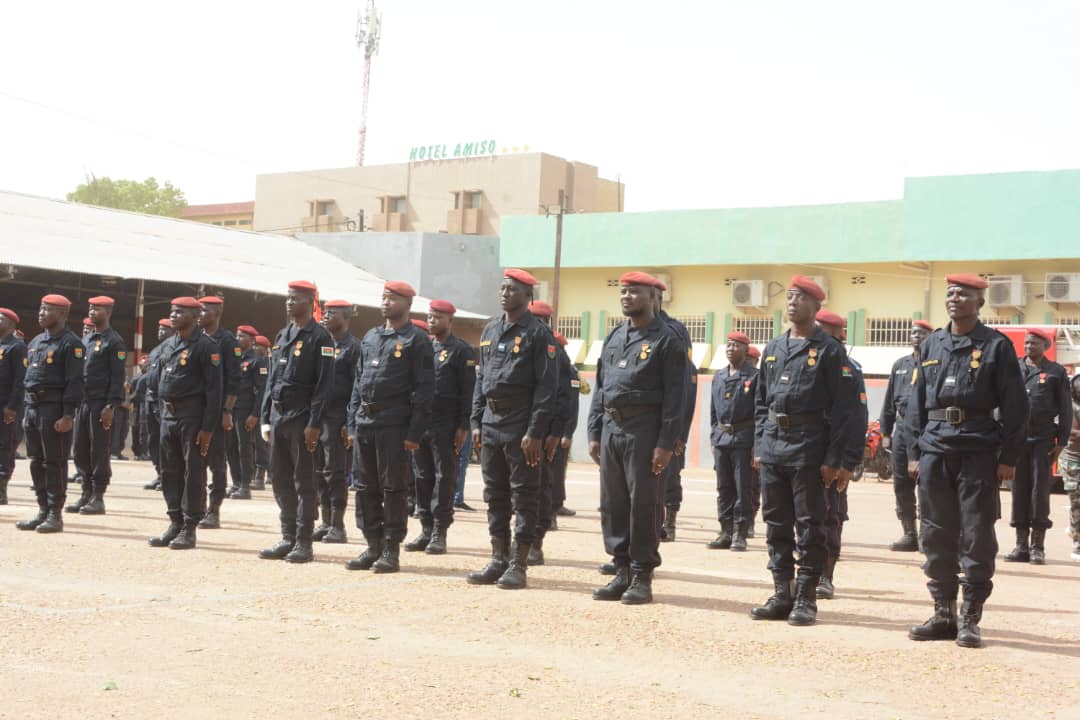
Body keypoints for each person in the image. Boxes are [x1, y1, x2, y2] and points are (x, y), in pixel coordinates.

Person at [906, 274, 1028, 648]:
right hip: (935, 449)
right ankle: (944, 613)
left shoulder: (996, 346)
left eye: (964, 293)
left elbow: (1016, 407)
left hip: (978, 450)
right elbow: (916, 403)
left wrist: (1009, 457)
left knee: (977, 533)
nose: (955, 298)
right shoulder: (932, 344)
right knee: (935, 531)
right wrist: (914, 452)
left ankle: (971, 618)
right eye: (951, 293)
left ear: (980, 303)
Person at [750, 276, 854, 626]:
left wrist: (834, 459)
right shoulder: (773, 347)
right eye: (791, 297)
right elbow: (761, 403)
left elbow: (843, 409)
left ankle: (806, 597)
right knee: (775, 522)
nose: (793, 302)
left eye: (802, 298)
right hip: (774, 445)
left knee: (810, 525)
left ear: (816, 306)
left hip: (809, 446)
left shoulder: (829, 349)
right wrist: (760, 445)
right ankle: (782, 592)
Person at [588, 272, 687, 605]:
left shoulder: (667, 340)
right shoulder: (615, 336)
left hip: (645, 431)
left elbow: (676, 397)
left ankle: (642, 575)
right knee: (613, 503)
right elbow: (601, 387)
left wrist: (666, 443)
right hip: (612, 429)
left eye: (634, 292)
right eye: (623, 292)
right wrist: (594, 431)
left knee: (644, 504)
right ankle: (621, 571)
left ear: (652, 297)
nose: (627, 297)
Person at [467, 269, 558, 590]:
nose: (505, 293)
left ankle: (519, 563)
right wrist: (476, 421)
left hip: (521, 424)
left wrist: (535, 431)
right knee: (495, 494)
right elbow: (482, 378)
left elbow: (546, 388)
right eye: (503, 288)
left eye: (513, 289)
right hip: (491, 422)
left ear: (528, 296)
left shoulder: (538, 333)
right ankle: (498, 558)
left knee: (524, 494)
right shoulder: (491, 329)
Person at [344, 281, 433, 574]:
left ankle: (391, 549)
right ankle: (372, 544)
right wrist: (352, 422)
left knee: (393, 487)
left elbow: (425, 389)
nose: (386, 302)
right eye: (384, 298)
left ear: (408, 304)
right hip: (365, 422)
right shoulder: (371, 336)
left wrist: (414, 432)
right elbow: (358, 382)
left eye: (393, 298)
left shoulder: (416, 340)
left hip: (395, 424)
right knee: (364, 486)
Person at [258, 281, 334, 564]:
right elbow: (272, 380)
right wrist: (265, 417)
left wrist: (314, 423)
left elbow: (324, 385)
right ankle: (287, 537)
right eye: (288, 298)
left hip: (302, 418)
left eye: (296, 299)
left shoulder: (320, 337)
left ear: (310, 302)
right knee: (280, 480)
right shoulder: (283, 334)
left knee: (304, 482)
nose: (290, 303)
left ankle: (304, 542)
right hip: (279, 417)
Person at [148, 297, 223, 550]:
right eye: (172, 311)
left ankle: (190, 527)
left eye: (180, 312)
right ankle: (175, 521)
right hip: (168, 416)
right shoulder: (168, 345)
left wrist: (208, 428)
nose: (173, 315)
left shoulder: (206, 346)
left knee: (193, 472)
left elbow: (214, 391)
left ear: (194, 316)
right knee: (169, 471)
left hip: (193, 417)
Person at [404, 299, 475, 555]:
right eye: (430, 316)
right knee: (421, 476)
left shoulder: (462, 351)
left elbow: (468, 391)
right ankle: (425, 528)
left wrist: (464, 425)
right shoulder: (423, 348)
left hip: (447, 424)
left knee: (444, 477)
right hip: (422, 423)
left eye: (437, 317)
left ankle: (439, 531)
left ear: (450, 320)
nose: (432, 321)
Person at [17, 294, 84, 533]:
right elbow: (29, 379)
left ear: (62, 314)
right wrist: (26, 411)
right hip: (33, 408)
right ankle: (42, 509)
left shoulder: (71, 344)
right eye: (41, 309)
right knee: (36, 461)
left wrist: (68, 415)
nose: (41, 313)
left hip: (53, 409)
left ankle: (55, 514)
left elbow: (74, 382)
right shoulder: (36, 341)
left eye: (47, 309)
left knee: (54, 461)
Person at [813, 310, 867, 600]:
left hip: (832, 456)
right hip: (802, 450)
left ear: (838, 334)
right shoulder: (802, 359)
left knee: (829, 515)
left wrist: (849, 461)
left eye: (820, 329)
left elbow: (857, 417)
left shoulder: (849, 367)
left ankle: (825, 575)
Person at [1004, 328, 1070, 564]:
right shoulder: (1013, 369)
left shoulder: (1056, 372)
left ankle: (1037, 547)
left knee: (1039, 492)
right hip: (1017, 441)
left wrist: (1061, 442)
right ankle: (1021, 546)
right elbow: (1001, 402)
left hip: (1043, 441)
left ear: (1046, 346)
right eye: (1027, 343)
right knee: (1018, 491)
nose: (1029, 346)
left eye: (1034, 343)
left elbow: (1065, 408)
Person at [66, 297, 126, 515]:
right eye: (90, 308)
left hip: (101, 403)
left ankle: (98, 497)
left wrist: (111, 405)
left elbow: (118, 377)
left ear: (108, 312)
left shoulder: (114, 341)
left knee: (99, 450)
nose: (92, 311)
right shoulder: (86, 339)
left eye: (97, 309)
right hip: (83, 402)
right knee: (80, 449)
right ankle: (85, 493)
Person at [879, 320, 933, 551]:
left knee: (927, 483)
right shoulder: (900, 365)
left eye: (922, 333)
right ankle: (909, 533)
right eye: (913, 333)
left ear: (931, 337)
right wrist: (885, 431)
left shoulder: (934, 363)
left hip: (927, 428)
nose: (916, 336)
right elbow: (889, 400)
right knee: (901, 483)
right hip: (901, 429)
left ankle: (927, 536)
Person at [518, 300, 564, 563]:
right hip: (518, 426)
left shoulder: (553, 348)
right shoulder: (518, 345)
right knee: (519, 488)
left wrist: (557, 432)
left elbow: (564, 395)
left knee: (540, 486)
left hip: (543, 431)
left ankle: (536, 541)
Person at [313, 300, 361, 543]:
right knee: (319, 471)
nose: (325, 316)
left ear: (345, 317)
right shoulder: (321, 344)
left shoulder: (353, 348)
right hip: (318, 417)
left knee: (335, 473)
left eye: (331, 313)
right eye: (325, 312)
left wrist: (349, 422)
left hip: (337, 418)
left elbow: (357, 387)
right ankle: (325, 522)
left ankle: (338, 526)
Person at [708, 331, 758, 552]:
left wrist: (757, 444)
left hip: (744, 439)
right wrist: (713, 436)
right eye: (728, 345)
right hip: (722, 439)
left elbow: (760, 412)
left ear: (746, 350)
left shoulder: (754, 376)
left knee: (743, 488)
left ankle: (740, 533)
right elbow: (713, 410)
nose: (730, 349)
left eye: (736, 345)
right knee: (724, 488)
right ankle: (725, 531)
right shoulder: (719, 376)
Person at [654, 285, 697, 542]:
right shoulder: (630, 329)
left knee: (670, 475)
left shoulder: (674, 330)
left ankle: (669, 522)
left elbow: (686, 394)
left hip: (670, 423)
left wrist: (681, 434)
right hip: (642, 423)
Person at [196, 295, 241, 529]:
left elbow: (235, 380)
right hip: (195, 410)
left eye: (204, 310)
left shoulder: (228, 341)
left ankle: (214, 509)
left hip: (217, 410)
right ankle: (196, 507)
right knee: (195, 462)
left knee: (216, 462)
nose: (199, 314)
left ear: (217, 312)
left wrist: (227, 410)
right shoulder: (195, 338)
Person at [226, 325, 261, 500]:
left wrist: (255, 414)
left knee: (244, 448)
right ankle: (236, 482)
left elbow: (261, 390)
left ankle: (246, 486)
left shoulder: (257, 361)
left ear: (252, 340)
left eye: (242, 336)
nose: (238, 339)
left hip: (245, 410)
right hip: (230, 409)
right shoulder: (234, 358)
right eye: (237, 335)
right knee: (230, 446)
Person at [550, 331, 581, 520]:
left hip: (560, 429)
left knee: (557, 468)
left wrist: (568, 432)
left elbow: (572, 404)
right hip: (544, 427)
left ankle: (555, 505)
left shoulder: (570, 372)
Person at [0, 307, 28, 504]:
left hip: (7, 407)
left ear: (10, 324)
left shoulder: (17, 347)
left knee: (5, 447)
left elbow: (20, 380)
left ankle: (1, 488)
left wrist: (12, 406)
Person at [142, 319, 174, 491]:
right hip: (150, 398)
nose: (160, 332)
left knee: (164, 440)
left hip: (162, 400)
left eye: (164, 329)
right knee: (153, 439)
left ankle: (168, 475)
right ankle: (160, 473)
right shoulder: (155, 349)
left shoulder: (172, 347)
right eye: (159, 329)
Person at [1060, 375, 1080, 561]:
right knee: (1077, 502)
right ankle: (1077, 545)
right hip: (1073, 461)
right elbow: (1072, 434)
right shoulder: (1071, 406)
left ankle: (1074, 528)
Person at [251, 335, 271, 489]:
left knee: (262, 443)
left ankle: (261, 475)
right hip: (253, 406)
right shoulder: (253, 361)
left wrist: (258, 411)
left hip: (263, 408)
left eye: (257, 345)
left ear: (264, 348)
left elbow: (263, 389)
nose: (254, 348)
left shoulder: (264, 363)